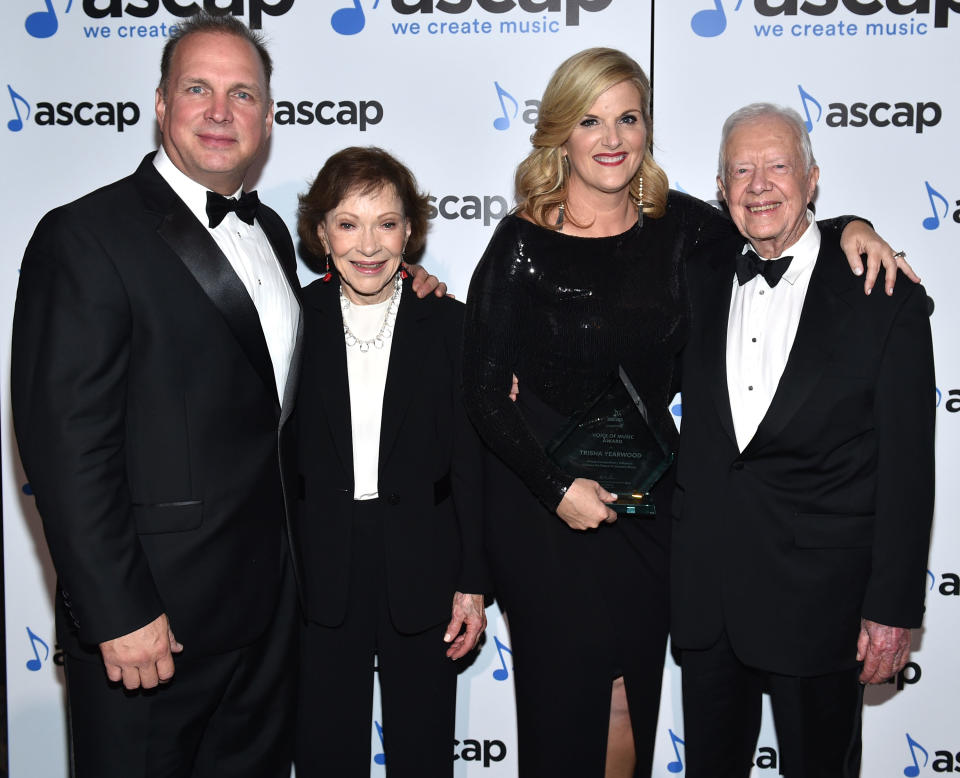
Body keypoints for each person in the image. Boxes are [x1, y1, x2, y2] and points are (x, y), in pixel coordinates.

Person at [10, 14, 440, 777]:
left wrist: (411, 289)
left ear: (269, 117)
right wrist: (118, 612)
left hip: (272, 618)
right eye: (198, 89)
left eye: (242, 94)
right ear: (160, 103)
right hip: (153, 627)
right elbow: (67, 449)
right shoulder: (84, 237)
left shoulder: (271, 232)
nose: (219, 111)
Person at [461, 48, 906, 778]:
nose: (612, 138)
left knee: (629, 703)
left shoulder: (680, 228)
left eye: (628, 118)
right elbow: (480, 392)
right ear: (560, 136)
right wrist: (555, 490)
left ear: (646, 131)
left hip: (646, 513)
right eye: (591, 120)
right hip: (547, 523)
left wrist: (853, 224)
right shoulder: (520, 244)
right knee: (558, 709)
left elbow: (778, 225)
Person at [670, 103, 935, 778]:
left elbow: (909, 471)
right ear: (722, 188)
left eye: (777, 165)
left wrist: (892, 608)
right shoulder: (695, 275)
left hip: (822, 603)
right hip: (710, 603)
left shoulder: (883, 294)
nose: (759, 184)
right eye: (741, 170)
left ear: (813, 179)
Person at [293, 146, 490, 777]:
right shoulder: (290, 319)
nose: (368, 244)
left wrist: (473, 580)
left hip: (424, 563)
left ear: (410, 231)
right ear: (322, 233)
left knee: (424, 755)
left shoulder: (453, 325)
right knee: (325, 754)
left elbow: (472, 465)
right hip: (316, 568)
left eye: (387, 222)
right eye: (348, 223)